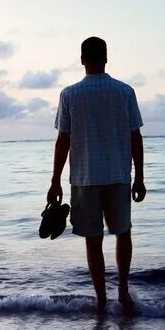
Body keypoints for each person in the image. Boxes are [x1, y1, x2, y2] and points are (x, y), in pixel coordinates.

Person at [47, 36, 146, 314]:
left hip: (85, 177)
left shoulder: (69, 94)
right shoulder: (124, 92)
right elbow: (135, 137)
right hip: (117, 174)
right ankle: (123, 293)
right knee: (122, 233)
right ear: (106, 58)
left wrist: (55, 181)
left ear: (82, 59)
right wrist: (139, 177)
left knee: (94, 239)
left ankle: (101, 299)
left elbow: (62, 141)